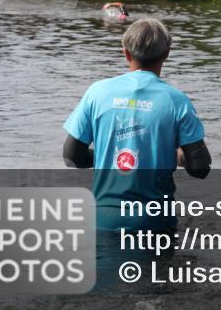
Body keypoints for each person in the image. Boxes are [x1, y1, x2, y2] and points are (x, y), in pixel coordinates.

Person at [62, 18, 212, 233]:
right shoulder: (177, 101)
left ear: (126, 53)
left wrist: (112, 156)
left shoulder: (97, 92)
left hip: (102, 219)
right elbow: (200, 169)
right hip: (154, 222)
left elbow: (72, 156)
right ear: (167, 53)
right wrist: (177, 157)